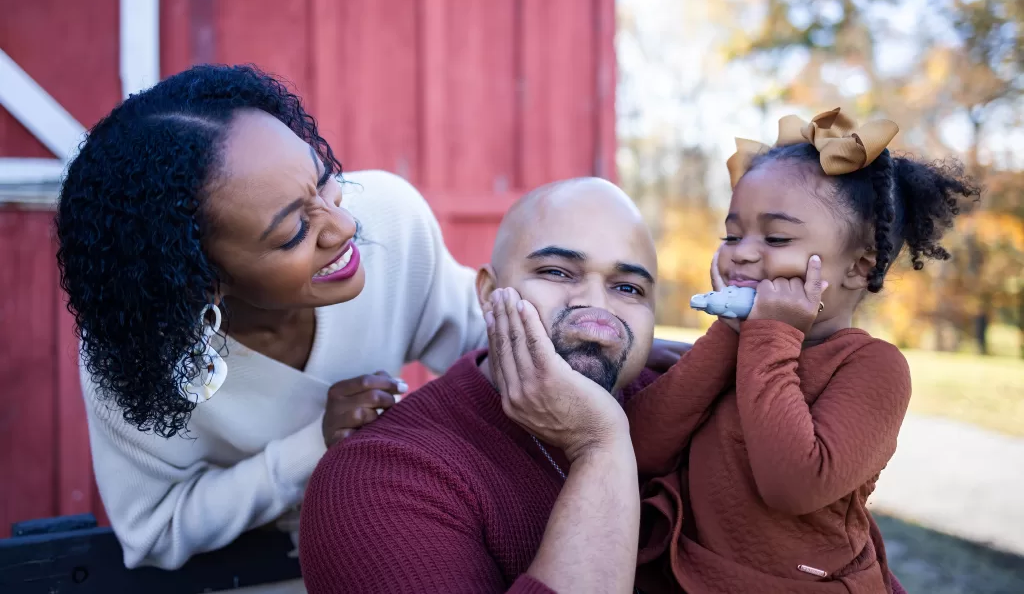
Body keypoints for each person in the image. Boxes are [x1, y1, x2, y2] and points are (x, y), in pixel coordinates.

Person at [55, 65, 688, 587]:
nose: (343, 227)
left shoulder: (386, 218)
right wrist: (314, 446)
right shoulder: (134, 353)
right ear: (203, 278)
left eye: (327, 185)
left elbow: (501, 344)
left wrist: (649, 355)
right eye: (296, 232)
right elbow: (154, 530)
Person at [626, 109, 979, 593]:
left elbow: (793, 485)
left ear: (858, 266)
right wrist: (730, 335)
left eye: (776, 238)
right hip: (684, 572)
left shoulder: (873, 367)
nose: (742, 253)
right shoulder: (735, 345)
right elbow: (639, 449)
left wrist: (769, 337)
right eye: (732, 235)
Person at [299, 178, 662, 593]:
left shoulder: (687, 410)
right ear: (490, 293)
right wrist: (600, 448)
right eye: (557, 272)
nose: (596, 305)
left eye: (628, 288)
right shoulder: (377, 478)